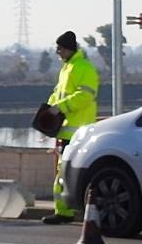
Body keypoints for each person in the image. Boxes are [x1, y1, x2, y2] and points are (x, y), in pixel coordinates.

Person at [40, 30, 99, 224]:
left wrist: (59, 108)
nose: (57, 52)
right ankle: (62, 212)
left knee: (71, 171)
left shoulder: (82, 68)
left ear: (68, 49)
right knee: (62, 170)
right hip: (66, 130)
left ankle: (69, 211)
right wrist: (48, 111)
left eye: (59, 48)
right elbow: (58, 94)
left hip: (78, 131)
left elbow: (85, 96)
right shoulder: (68, 68)